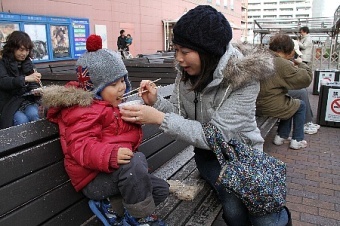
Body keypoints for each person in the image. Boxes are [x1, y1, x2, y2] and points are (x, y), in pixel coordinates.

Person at [120, 5, 291, 226]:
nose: (179, 58)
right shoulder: (187, 74)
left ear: (208, 50)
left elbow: (215, 135)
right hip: (209, 157)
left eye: (185, 51)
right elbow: (180, 115)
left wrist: (158, 118)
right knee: (234, 214)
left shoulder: (244, 79)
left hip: (244, 156)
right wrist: (156, 102)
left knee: (265, 219)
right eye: (176, 49)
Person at [42, 34, 168, 226]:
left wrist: (138, 112)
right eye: (113, 84)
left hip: (116, 173)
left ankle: (115, 209)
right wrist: (110, 155)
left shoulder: (110, 105)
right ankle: (140, 219)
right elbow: (81, 146)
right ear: (95, 88)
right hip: (93, 178)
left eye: (122, 81)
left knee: (160, 189)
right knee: (136, 164)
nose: (121, 88)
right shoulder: (83, 111)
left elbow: (120, 134)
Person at [256, 33, 313, 149]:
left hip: (257, 102)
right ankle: (297, 140)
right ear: (288, 50)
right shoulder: (281, 63)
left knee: (289, 102)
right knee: (300, 105)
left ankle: (281, 136)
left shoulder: (261, 57)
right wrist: (301, 63)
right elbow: (306, 79)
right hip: (268, 105)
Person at [0, 30, 42, 129]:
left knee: (34, 115)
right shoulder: (2, 63)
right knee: (21, 120)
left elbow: (33, 83)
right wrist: (25, 79)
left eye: (27, 50)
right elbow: (4, 81)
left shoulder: (27, 63)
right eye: (21, 50)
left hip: (26, 100)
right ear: (12, 48)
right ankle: (25, 145)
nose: (24, 54)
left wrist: (36, 90)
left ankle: (40, 143)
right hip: (9, 103)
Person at [289, 39, 320, 135]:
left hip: (276, 91)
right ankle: (306, 123)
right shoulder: (283, 62)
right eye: (294, 53)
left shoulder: (285, 61)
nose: (295, 56)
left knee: (302, 91)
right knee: (301, 92)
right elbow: (306, 79)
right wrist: (300, 64)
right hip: (275, 95)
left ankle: (308, 121)